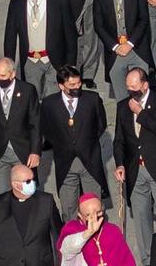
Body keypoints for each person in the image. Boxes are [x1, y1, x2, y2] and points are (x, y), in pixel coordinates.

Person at [40, 63, 110, 220]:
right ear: (61, 85)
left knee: (94, 207)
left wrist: (85, 141)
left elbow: (100, 124)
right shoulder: (49, 104)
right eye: (71, 85)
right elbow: (46, 128)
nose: (77, 87)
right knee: (69, 207)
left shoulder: (92, 99)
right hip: (65, 162)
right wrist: (61, 143)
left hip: (89, 160)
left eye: (78, 83)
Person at [4, 0, 77, 103]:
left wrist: (70, 64)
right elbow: (10, 37)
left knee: (52, 100)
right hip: (30, 61)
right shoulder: (16, 4)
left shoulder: (59, 3)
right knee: (32, 100)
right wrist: (9, 64)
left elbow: (70, 35)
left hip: (53, 62)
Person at [0, 55, 42, 196]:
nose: (0, 79)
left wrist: (35, 151)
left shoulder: (27, 90)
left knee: (27, 193)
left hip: (22, 150)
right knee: (1, 196)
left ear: (12, 74)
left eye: (3, 75)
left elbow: (35, 124)